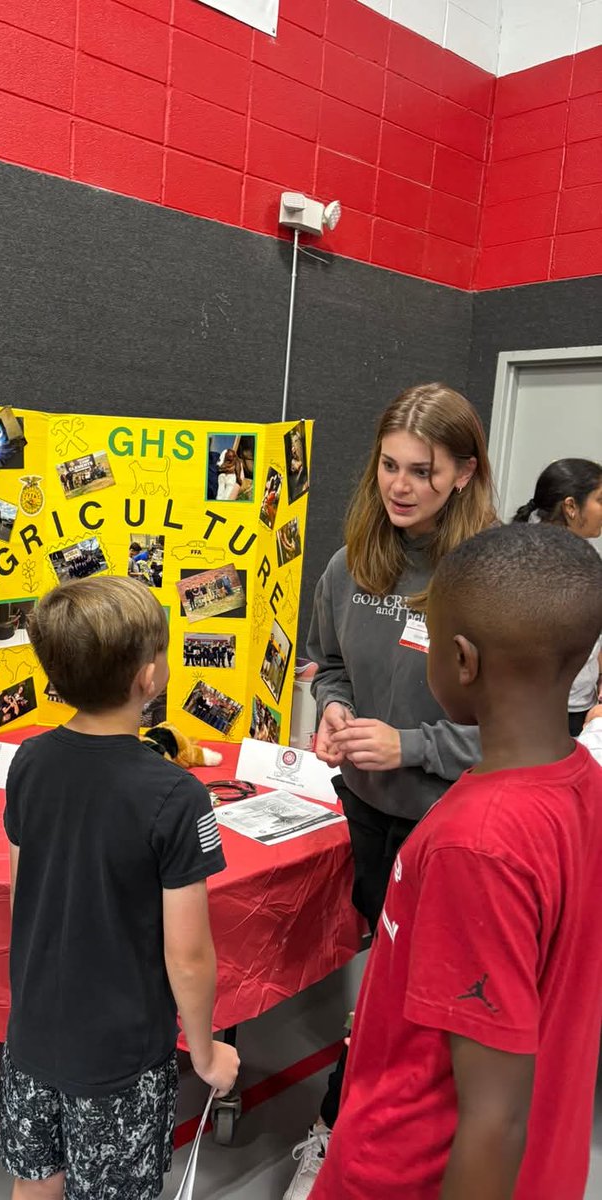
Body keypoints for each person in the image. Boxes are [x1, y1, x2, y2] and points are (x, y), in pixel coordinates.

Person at [310, 523, 602, 1200]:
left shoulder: (477, 844)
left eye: (431, 641)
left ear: (462, 660)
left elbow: (492, 1118)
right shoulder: (579, 782)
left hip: (412, 1173)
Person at [286, 383, 496, 1199]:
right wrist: (334, 708)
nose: (400, 487)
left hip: (450, 828)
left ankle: (346, 1135)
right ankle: (350, 1135)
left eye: (422, 471)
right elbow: (326, 660)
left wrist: (410, 743)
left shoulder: (484, 581)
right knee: (377, 983)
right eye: (387, 467)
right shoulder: (351, 565)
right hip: (366, 810)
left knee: (411, 999)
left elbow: (514, 733)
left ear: (465, 473)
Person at [0, 576, 239, 1199]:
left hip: (32, 1033)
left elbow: (26, 889)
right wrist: (208, 1051)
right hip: (120, 1055)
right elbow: (187, 955)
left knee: (36, 1181)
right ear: (149, 677)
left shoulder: (28, 761)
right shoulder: (177, 796)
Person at [512, 458, 602, 734]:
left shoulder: (587, 560)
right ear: (571, 506)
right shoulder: (520, 560)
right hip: (532, 712)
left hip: (578, 707)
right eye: (600, 500)